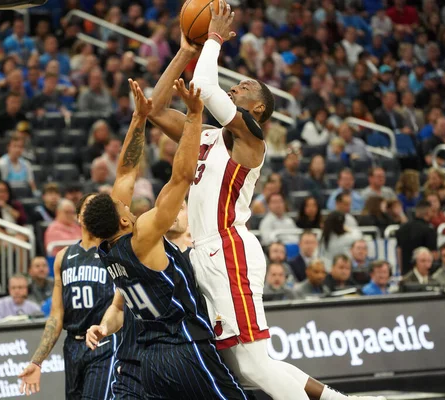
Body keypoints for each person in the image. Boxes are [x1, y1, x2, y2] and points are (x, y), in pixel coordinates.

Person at [147, 7, 383, 400]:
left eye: (243, 87)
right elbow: (153, 110)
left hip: (229, 250)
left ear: (257, 108)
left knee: (253, 363)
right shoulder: (205, 136)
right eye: (235, 85)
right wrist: (185, 52)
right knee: (246, 363)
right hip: (203, 253)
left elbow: (205, 88)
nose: (235, 88)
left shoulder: (250, 139)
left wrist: (214, 41)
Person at [82, 78, 248, 398]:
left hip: (150, 361)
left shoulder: (105, 248)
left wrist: (138, 118)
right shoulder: (142, 236)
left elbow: (126, 173)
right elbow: (182, 177)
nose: (126, 202)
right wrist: (194, 116)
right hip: (184, 347)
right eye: (122, 205)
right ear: (123, 219)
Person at [19, 193, 117, 399]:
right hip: (73, 345)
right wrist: (37, 361)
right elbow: (56, 315)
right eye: (90, 206)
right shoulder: (63, 257)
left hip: (103, 342)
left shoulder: (113, 251)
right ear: (79, 217)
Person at [396, 200, 437, 275]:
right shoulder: (429, 230)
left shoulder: (402, 229)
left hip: (405, 273)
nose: (433, 214)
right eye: (432, 211)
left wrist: (402, 272)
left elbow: (399, 252)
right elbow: (433, 254)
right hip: (423, 274)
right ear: (428, 212)